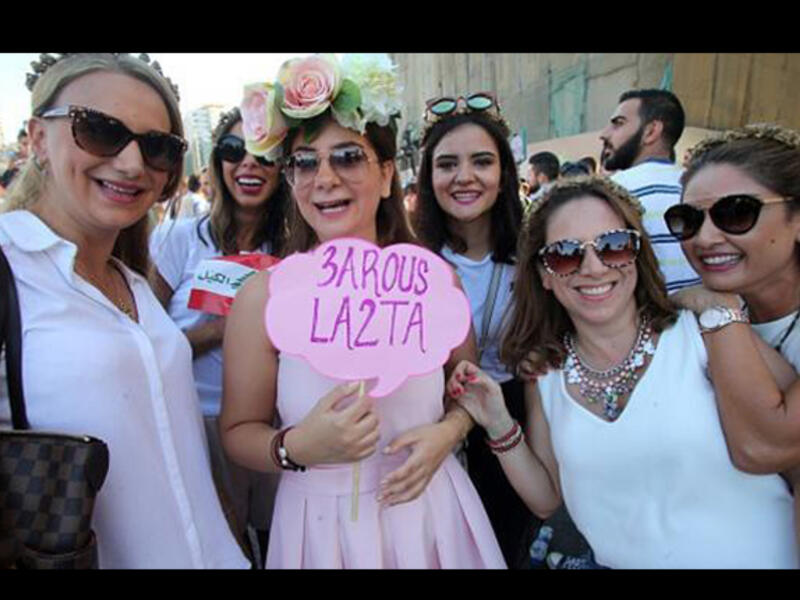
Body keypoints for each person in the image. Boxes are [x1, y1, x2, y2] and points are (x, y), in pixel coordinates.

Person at [221, 53, 505, 569]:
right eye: (305, 163)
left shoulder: (436, 283)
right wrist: (297, 447)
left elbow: (467, 390)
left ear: (386, 174)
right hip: (318, 530)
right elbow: (238, 432)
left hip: (428, 514)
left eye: (348, 157)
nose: (323, 178)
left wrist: (448, 433)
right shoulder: (262, 296)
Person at [447, 175, 797, 568]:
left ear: (636, 253)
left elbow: (790, 439)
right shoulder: (545, 374)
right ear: (543, 273)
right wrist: (497, 422)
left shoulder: (706, 332)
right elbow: (548, 500)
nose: (593, 268)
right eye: (566, 254)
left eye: (614, 246)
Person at [0, 53, 249, 569]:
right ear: (37, 138)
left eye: (158, 147)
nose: (133, 164)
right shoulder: (9, 269)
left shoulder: (134, 282)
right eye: (99, 130)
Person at [149, 106, 288, 565]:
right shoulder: (180, 238)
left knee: (278, 545)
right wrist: (226, 330)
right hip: (196, 422)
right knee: (219, 548)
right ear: (217, 163)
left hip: (275, 423)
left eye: (264, 153)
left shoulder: (297, 249)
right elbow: (142, 342)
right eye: (233, 150)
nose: (248, 162)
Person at [663, 123, 800, 548]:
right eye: (687, 220)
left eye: (737, 212)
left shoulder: (709, 308)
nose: (704, 239)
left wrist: (717, 310)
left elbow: (761, 448)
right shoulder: (686, 318)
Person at [412, 92, 529, 567]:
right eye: (447, 165)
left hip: (514, 424)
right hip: (432, 429)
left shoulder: (537, 254)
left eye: (482, 162)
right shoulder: (408, 259)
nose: (464, 177)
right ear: (428, 178)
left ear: (503, 176)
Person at [600, 89, 700, 293]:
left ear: (651, 131)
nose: (604, 134)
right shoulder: (700, 187)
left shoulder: (610, 193)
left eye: (618, 123)